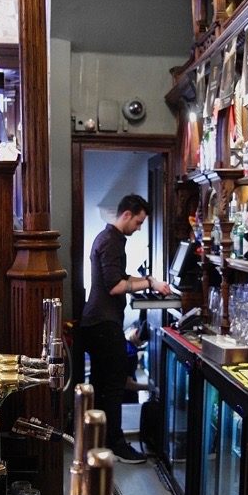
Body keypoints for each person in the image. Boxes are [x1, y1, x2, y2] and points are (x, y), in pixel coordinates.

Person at [80, 194, 171, 464]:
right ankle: (117, 444)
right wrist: (149, 284)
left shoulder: (111, 238)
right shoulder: (111, 242)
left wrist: (151, 281)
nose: (139, 228)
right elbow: (115, 286)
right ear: (127, 214)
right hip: (103, 323)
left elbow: (120, 277)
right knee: (114, 385)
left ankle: (99, 440)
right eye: (139, 222)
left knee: (101, 384)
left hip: (97, 322)